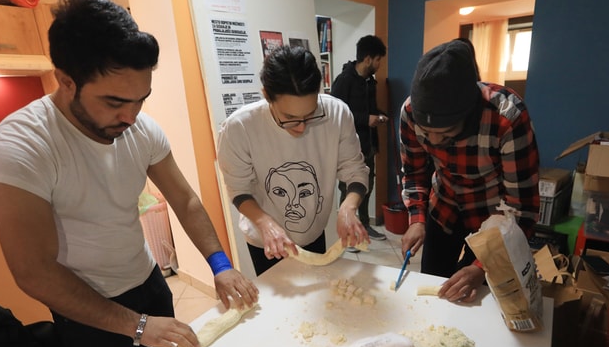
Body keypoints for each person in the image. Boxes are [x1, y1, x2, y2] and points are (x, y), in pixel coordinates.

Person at [0, 0, 259, 347]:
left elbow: (185, 199)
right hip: (89, 308)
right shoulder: (21, 146)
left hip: (148, 281)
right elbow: (33, 271)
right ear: (65, 80)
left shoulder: (140, 129)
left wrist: (221, 266)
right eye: (113, 102)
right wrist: (139, 327)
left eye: (140, 100)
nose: (129, 116)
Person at [399, 39, 539, 304]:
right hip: (444, 209)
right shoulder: (409, 112)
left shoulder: (507, 117)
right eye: (426, 133)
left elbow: (522, 209)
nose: (434, 141)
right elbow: (415, 173)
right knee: (436, 292)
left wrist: (480, 267)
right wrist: (417, 220)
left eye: (446, 133)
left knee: (479, 300)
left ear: (469, 113)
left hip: (494, 219)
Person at [217, 45, 370, 276]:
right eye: (289, 118)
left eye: (310, 115)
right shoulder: (239, 127)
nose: (301, 127)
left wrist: (349, 207)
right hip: (267, 242)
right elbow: (239, 190)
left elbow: (355, 169)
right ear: (266, 95)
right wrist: (266, 223)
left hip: (313, 232)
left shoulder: (337, 113)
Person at [330, 35, 388, 243]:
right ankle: (345, 234)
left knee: (366, 187)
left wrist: (380, 115)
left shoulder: (370, 82)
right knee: (348, 190)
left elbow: (370, 110)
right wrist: (366, 119)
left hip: (368, 145)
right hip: (348, 148)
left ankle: (364, 226)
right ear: (368, 58)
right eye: (379, 59)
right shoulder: (344, 80)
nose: (380, 64)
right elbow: (335, 114)